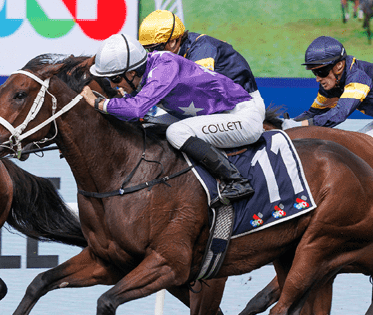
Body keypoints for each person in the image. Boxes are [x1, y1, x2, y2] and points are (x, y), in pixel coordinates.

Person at [80, 34, 265, 207]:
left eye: (115, 78)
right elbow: (137, 109)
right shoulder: (149, 68)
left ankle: (236, 181)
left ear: (132, 73)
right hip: (217, 115)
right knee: (150, 123)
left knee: (176, 132)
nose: (113, 85)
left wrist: (99, 104)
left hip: (242, 117)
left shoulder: (165, 66)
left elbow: (136, 109)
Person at [138, 9, 265, 122]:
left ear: (173, 41)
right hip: (214, 107)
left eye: (156, 48)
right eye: (149, 49)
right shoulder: (176, 52)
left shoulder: (203, 49)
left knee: (176, 133)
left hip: (242, 109)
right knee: (149, 126)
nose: (153, 54)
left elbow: (197, 92)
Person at [281, 36, 373, 136]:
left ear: (339, 66)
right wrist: (286, 124)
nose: (318, 79)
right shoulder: (332, 83)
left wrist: (302, 125)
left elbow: (341, 113)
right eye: (314, 72)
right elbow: (314, 113)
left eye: (321, 71)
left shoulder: (358, 77)